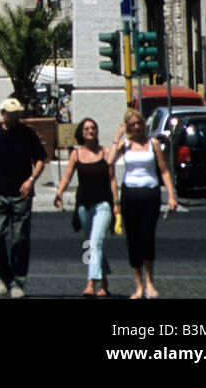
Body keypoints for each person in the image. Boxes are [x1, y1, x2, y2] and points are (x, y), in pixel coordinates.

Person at [0, 97, 47, 297]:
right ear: (3, 114)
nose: (15, 116)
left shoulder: (28, 134)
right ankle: (4, 274)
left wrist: (32, 180)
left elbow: (41, 159)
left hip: (21, 195)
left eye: (17, 113)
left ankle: (17, 281)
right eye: (11, 113)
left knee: (20, 240)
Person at [110, 109, 179, 298]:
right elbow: (109, 162)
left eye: (139, 123)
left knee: (147, 237)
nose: (137, 127)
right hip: (130, 193)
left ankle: (150, 283)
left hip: (150, 193)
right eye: (132, 125)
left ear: (143, 124)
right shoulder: (125, 145)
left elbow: (164, 170)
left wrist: (171, 195)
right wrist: (117, 136)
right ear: (128, 127)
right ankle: (138, 286)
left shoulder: (153, 143)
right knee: (133, 240)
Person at [54, 117, 119, 296]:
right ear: (81, 133)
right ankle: (104, 281)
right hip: (83, 204)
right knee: (90, 243)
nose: (91, 131)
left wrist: (116, 203)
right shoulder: (76, 154)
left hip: (103, 204)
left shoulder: (105, 152)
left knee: (95, 241)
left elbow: (113, 180)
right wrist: (59, 192)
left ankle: (91, 282)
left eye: (93, 128)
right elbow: (67, 176)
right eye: (87, 128)